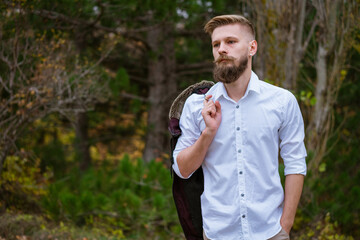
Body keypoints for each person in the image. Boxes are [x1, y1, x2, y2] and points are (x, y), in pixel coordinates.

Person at [172, 15, 307, 240]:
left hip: (270, 232)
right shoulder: (197, 105)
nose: (222, 49)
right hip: (217, 233)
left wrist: (286, 225)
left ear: (252, 47)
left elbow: (295, 163)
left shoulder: (282, 101)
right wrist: (208, 133)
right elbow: (182, 170)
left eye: (231, 42)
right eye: (216, 44)